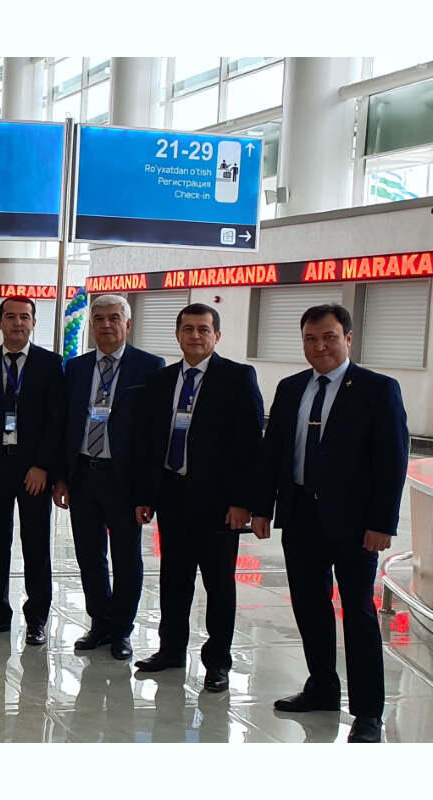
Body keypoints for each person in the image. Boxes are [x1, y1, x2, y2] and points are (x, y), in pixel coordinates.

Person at [253, 304, 408, 743]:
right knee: (309, 606)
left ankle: (368, 712)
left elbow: (391, 461)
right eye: (310, 339)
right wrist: (263, 508)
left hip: (357, 524)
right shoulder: (290, 388)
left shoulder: (378, 390)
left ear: (348, 338)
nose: (319, 346)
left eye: (329, 337)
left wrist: (382, 523)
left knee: (357, 612)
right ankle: (321, 687)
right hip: (300, 515)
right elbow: (273, 455)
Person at [133, 302, 263, 693]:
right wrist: (145, 495)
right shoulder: (162, 380)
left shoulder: (238, 378)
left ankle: (218, 662)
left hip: (220, 504)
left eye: (203, 330)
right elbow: (148, 443)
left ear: (216, 336)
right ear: (178, 334)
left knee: (219, 584)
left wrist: (243, 502)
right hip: (172, 495)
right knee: (174, 580)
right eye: (188, 329)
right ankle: (171, 650)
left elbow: (250, 446)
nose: (195, 336)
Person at [52, 295, 164, 661]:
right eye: (98, 319)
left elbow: (152, 436)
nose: (105, 325)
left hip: (124, 479)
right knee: (89, 554)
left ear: (127, 324)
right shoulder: (77, 368)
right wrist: (62, 477)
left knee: (127, 557)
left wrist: (147, 491)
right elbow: (65, 423)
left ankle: (122, 629)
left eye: (114, 318)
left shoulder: (150, 367)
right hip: (84, 473)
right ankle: (99, 622)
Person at [0, 296, 64, 646]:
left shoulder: (52, 365)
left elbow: (57, 422)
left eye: (25, 317)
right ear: (0, 323)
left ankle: (37, 618)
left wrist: (43, 466)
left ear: (33, 322)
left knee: (36, 545)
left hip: (33, 470)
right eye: (11, 317)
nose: (18, 323)